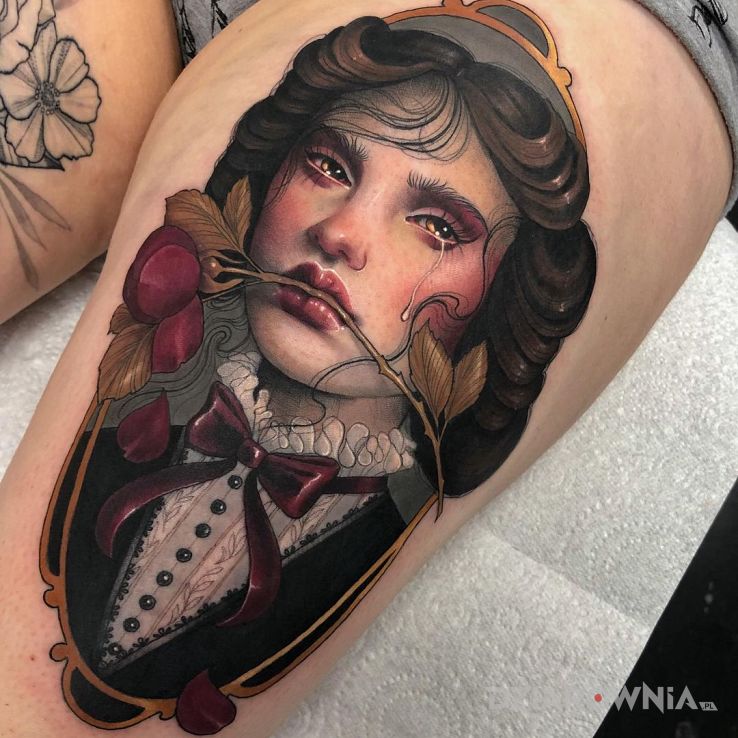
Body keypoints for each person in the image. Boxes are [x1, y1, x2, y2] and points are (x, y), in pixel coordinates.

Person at [0, 0, 734, 736]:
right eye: (329, 166)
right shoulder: (146, 402)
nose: (340, 233)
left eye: (437, 226)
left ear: (507, 295)